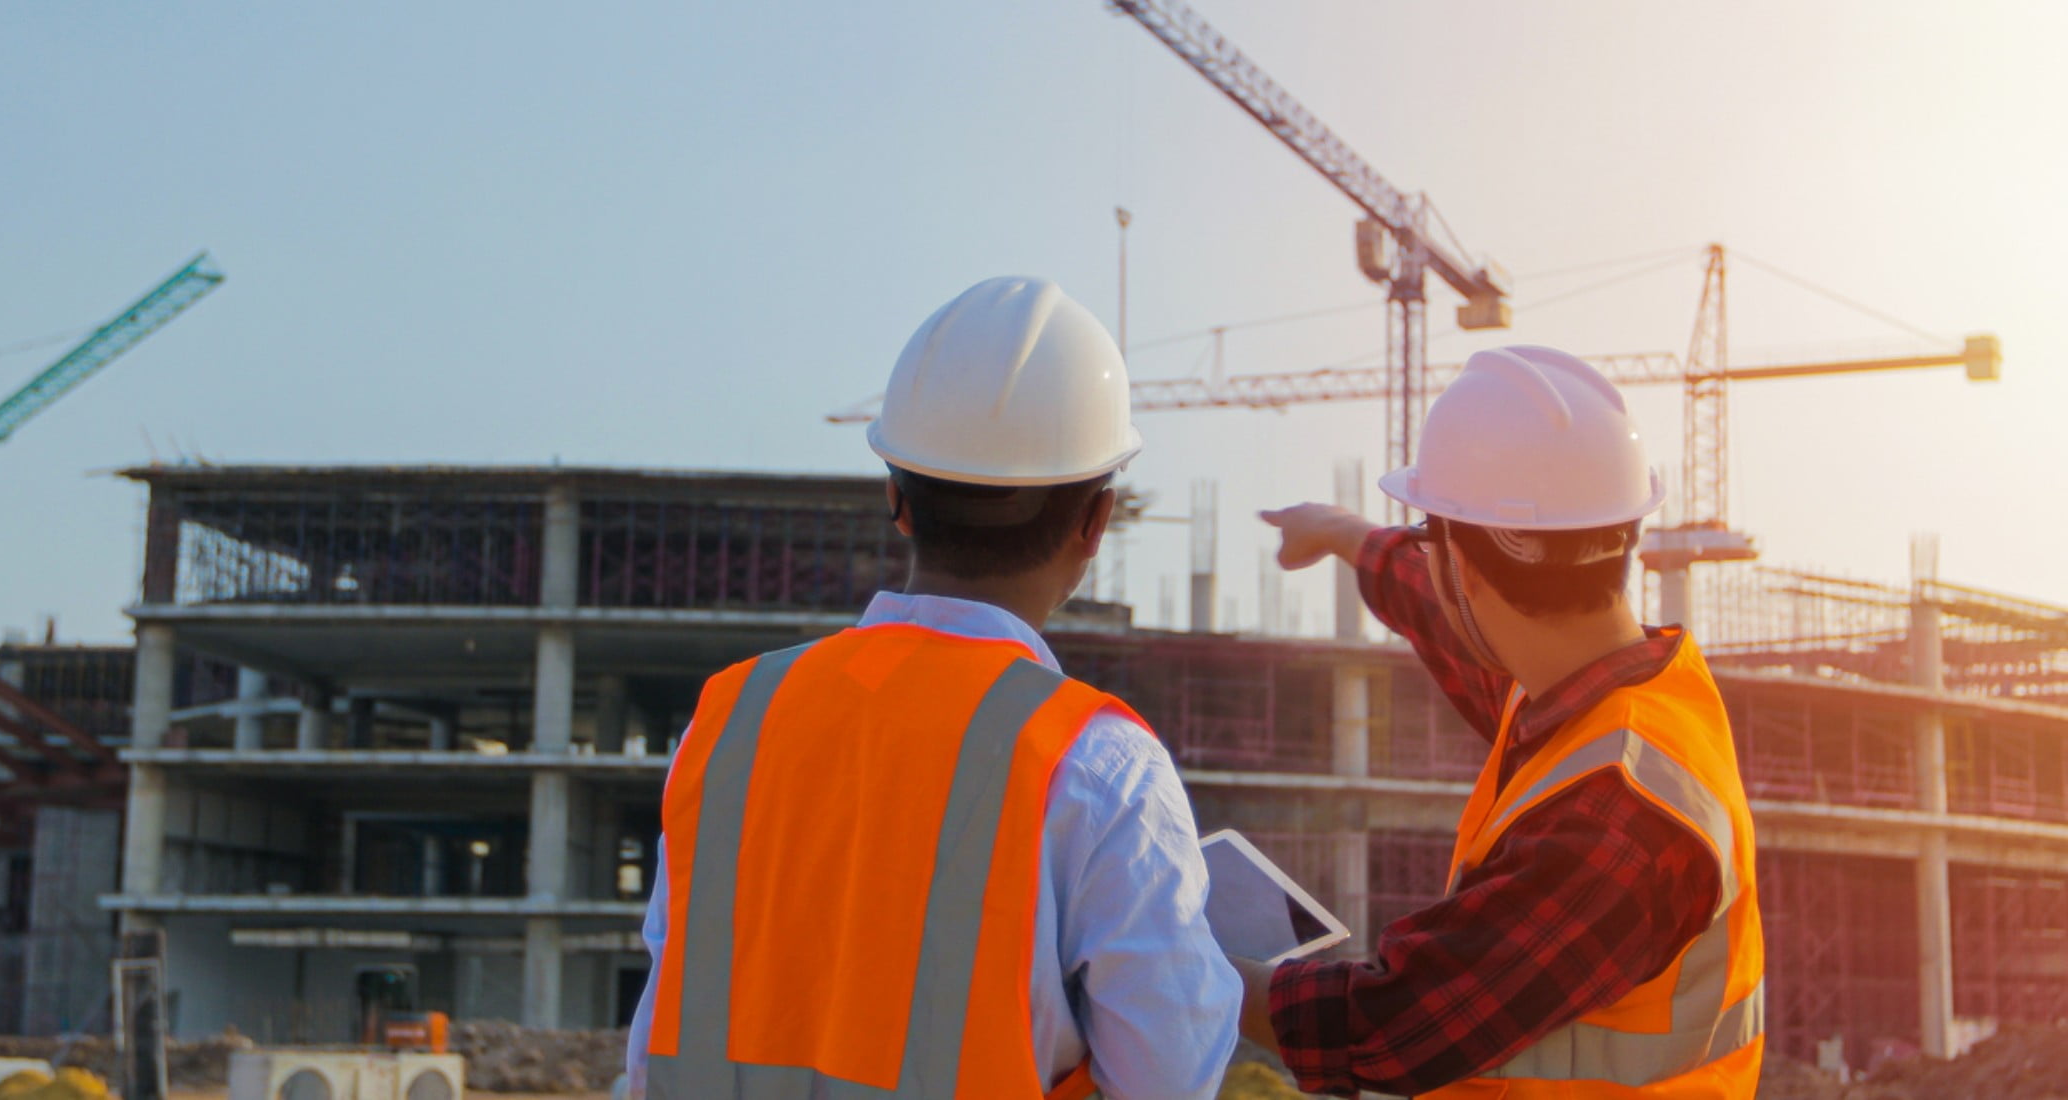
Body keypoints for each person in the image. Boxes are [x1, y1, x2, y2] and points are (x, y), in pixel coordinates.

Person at [623, 276, 1239, 1100]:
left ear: (896, 499)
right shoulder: (1099, 767)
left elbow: (661, 1028)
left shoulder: (731, 719)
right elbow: (1170, 1076)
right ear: (1097, 521)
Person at [1246, 345, 1764, 1098]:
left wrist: (1194, 972)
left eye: (1434, 540)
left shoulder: (1617, 819)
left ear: (1466, 563)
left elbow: (1392, 1026)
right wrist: (1340, 532)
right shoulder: (1616, 696)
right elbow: (1441, 603)